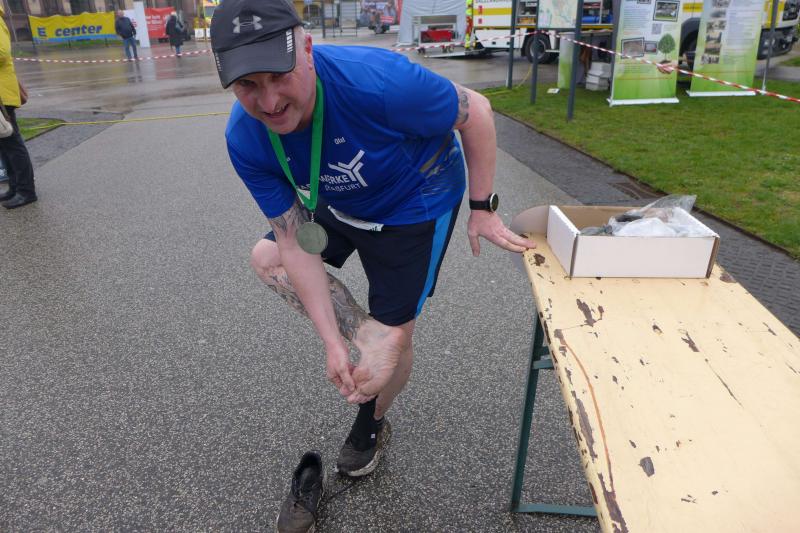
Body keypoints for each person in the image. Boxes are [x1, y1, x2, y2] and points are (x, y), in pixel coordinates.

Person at [211, 0, 535, 528]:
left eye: (279, 76)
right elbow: (292, 240)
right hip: (339, 201)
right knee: (266, 257)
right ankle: (374, 335)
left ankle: (373, 420)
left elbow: (475, 110)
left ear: (307, 50)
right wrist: (335, 340)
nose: (269, 101)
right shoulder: (245, 137)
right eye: (248, 85)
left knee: (395, 339)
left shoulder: (379, 83)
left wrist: (482, 207)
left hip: (415, 202)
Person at [0, 4, 37, 209]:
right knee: (4, 144)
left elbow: (2, 52)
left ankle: (26, 190)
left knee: (12, 142)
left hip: (2, 93)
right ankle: (15, 187)